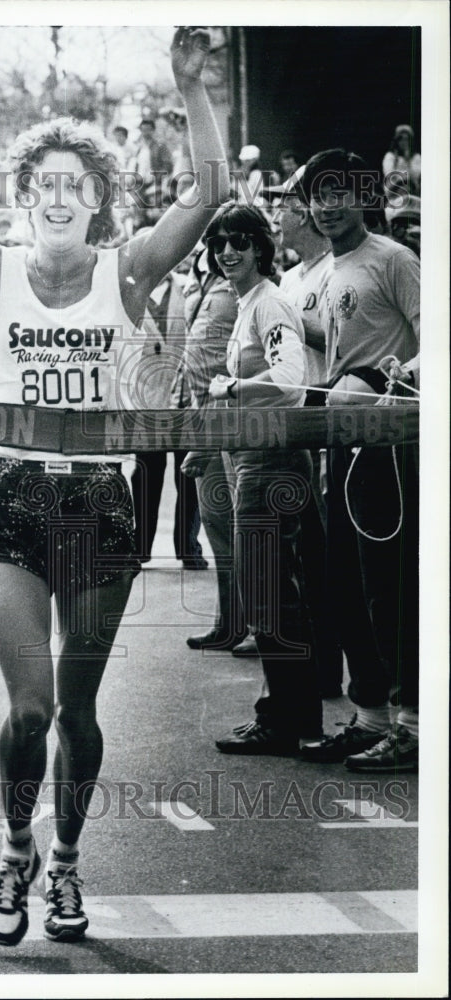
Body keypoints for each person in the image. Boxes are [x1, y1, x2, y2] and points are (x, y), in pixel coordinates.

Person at [0, 28, 227, 945]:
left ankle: (65, 865)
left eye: (77, 182)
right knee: (27, 713)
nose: (59, 194)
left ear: (99, 199)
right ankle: (14, 849)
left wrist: (191, 91)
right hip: (16, 501)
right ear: (23, 198)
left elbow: (211, 194)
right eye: (44, 182)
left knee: (77, 710)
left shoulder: (129, 269)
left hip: (101, 505)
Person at [298, 148, 419, 772]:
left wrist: (389, 377)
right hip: (340, 445)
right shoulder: (326, 270)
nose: (328, 204)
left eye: (341, 191)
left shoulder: (394, 259)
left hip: (389, 447)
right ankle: (370, 716)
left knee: (389, 587)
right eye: (319, 194)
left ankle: (414, 724)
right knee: (345, 581)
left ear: (362, 197)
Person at [200, 202, 323, 755]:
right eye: (221, 243)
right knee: (269, 595)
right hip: (251, 459)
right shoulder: (254, 302)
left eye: (240, 241)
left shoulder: (269, 304)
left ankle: (289, 720)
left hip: (271, 463)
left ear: (262, 247)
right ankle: (284, 713)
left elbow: (292, 380)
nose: (229, 252)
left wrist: (229, 387)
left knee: (272, 597)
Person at [271, 166, 344, 698]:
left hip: (326, 413)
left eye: (284, 205)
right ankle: (313, 672)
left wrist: (293, 329)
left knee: (327, 559)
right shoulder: (288, 280)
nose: (277, 215)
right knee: (296, 556)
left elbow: (345, 340)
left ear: (306, 215)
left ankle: (339, 670)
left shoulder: (331, 271)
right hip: (288, 422)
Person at [178, 249, 248, 650]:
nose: (224, 249)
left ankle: (253, 624)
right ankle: (230, 621)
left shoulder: (241, 285)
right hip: (199, 412)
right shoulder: (201, 270)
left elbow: (239, 362)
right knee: (217, 526)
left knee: (238, 529)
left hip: (227, 416)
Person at [130, 249, 206, 570]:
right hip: (145, 398)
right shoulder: (130, 294)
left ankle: (187, 546)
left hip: (185, 396)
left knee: (187, 474)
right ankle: (139, 547)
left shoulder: (190, 289)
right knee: (146, 475)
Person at [382, 123, 421, 198]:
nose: (404, 142)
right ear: (397, 141)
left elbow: (415, 177)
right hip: (394, 192)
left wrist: (408, 161)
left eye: (406, 139)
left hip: (412, 192)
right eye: (401, 139)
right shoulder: (390, 156)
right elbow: (389, 174)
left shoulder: (416, 157)